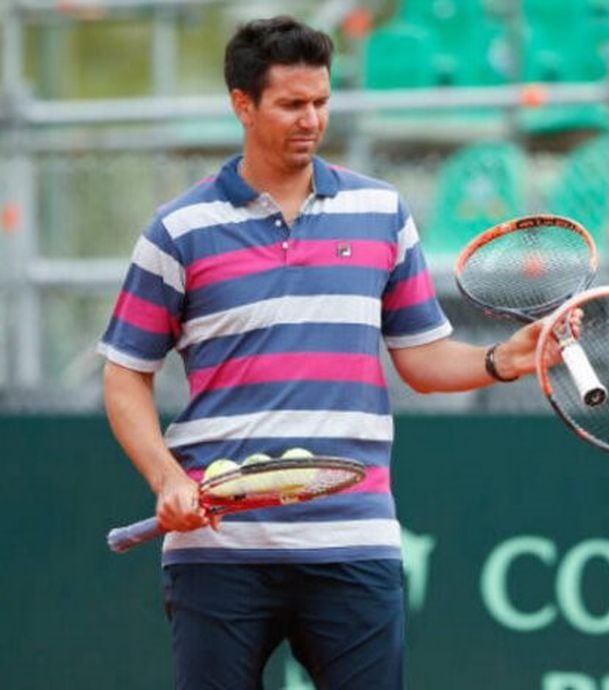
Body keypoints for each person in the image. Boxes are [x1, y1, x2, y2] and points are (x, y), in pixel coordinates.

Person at [98, 16, 540, 690]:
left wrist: (497, 361)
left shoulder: (382, 212)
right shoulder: (177, 230)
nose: (311, 119)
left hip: (352, 541)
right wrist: (167, 479)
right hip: (218, 551)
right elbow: (125, 375)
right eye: (291, 104)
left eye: (321, 102)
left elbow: (420, 361)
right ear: (242, 105)